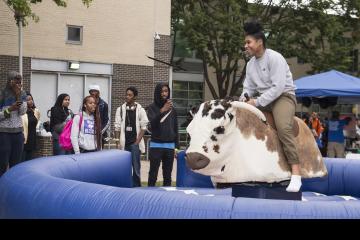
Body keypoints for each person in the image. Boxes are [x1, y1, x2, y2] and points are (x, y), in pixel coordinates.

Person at [239, 21, 301, 192]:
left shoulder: (275, 57)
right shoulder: (250, 64)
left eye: (248, 42)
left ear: (259, 42)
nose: (246, 46)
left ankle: (296, 174)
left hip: (283, 97)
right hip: (263, 100)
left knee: (283, 127)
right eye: (245, 43)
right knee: (242, 123)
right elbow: (248, 88)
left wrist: (256, 102)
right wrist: (242, 101)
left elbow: (278, 87)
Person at [114, 87, 149, 187]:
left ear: (135, 97)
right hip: (123, 143)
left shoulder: (140, 110)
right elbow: (117, 126)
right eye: (126, 94)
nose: (127, 97)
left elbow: (144, 127)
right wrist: (117, 143)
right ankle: (125, 186)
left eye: (130, 95)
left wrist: (137, 142)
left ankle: (137, 187)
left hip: (135, 144)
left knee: (136, 167)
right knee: (124, 167)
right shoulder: (120, 109)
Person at [147, 83, 179, 187]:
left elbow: (175, 127)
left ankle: (167, 197)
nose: (164, 93)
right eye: (162, 91)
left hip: (170, 146)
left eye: (166, 91)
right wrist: (162, 110)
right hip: (156, 145)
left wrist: (177, 146)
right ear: (157, 92)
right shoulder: (152, 107)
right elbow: (152, 125)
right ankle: (150, 195)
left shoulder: (172, 109)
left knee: (168, 175)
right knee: (153, 174)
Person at [0, 71, 27, 176]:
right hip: (4, 133)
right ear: (9, 81)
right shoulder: (2, 93)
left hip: (18, 133)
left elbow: (22, 112)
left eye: (20, 81)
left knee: (16, 164)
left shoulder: (22, 93)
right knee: (2, 163)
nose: (18, 84)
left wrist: (18, 95)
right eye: (16, 81)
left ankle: (12, 186)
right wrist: (10, 109)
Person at [21, 92, 41, 161]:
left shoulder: (36, 111)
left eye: (31, 99)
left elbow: (36, 122)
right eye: (28, 100)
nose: (31, 101)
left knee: (29, 161)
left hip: (32, 140)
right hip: (24, 141)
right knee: (22, 162)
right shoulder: (21, 113)